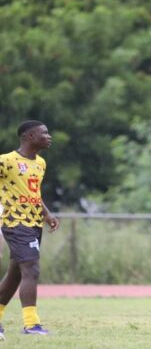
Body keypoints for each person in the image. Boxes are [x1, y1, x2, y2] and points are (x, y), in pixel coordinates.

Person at [0, 120, 60, 338]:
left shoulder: (41, 163)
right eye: (44, 132)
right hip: (16, 223)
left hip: (34, 224)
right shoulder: (7, 161)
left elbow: (34, 194)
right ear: (29, 137)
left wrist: (47, 214)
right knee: (32, 269)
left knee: (15, 275)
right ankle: (31, 325)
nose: (49, 136)